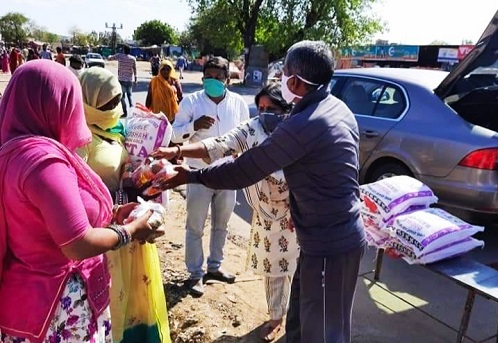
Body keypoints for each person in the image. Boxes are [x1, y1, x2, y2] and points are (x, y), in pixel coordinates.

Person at [156, 40, 366, 343]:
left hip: (330, 243)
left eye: (284, 73)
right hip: (322, 236)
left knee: (323, 331)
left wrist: (190, 175)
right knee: (301, 319)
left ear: (293, 81)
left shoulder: (307, 122)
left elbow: (246, 168)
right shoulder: (336, 108)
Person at [0, 60, 162, 343]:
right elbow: (77, 243)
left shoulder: (14, 150)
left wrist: (112, 213)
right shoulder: (44, 162)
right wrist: (131, 231)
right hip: (58, 309)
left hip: (25, 304)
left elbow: (49, 217)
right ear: (55, 103)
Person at [152, 83, 298, 341]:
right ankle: (276, 317)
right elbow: (219, 144)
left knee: (298, 271)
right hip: (266, 215)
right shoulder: (253, 129)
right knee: (273, 270)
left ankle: (297, 319)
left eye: (272, 109)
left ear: (286, 110)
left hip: (296, 215)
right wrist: (177, 151)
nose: (265, 113)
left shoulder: (296, 134)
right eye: (261, 108)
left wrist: (300, 209)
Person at [77, 67, 171, 343]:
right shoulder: (77, 138)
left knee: (135, 296)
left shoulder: (117, 126)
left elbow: (124, 168)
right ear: (86, 102)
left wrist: (145, 170)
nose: (115, 108)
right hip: (100, 231)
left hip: (128, 221)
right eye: (106, 103)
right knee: (110, 300)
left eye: (117, 100)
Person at [170, 56, 250, 296]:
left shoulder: (238, 103)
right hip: (197, 173)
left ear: (227, 79)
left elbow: (247, 134)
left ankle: (214, 267)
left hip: (228, 173)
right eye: (208, 77)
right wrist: (194, 126)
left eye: (217, 77)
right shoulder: (192, 102)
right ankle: (195, 274)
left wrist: (241, 157)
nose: (212, 81)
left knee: (222, 224)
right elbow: (174, 135)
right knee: (195, 225)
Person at [108, 45, 137, 117]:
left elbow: (110, 58)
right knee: (130, 96)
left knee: (122, 97)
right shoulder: (133, 59)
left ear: (124, 50)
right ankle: (133, 111)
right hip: (129, 80)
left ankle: (125, 112)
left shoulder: (120, 56)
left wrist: (108, 56)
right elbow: (135, 69)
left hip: (121, 80)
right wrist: (136, 79)